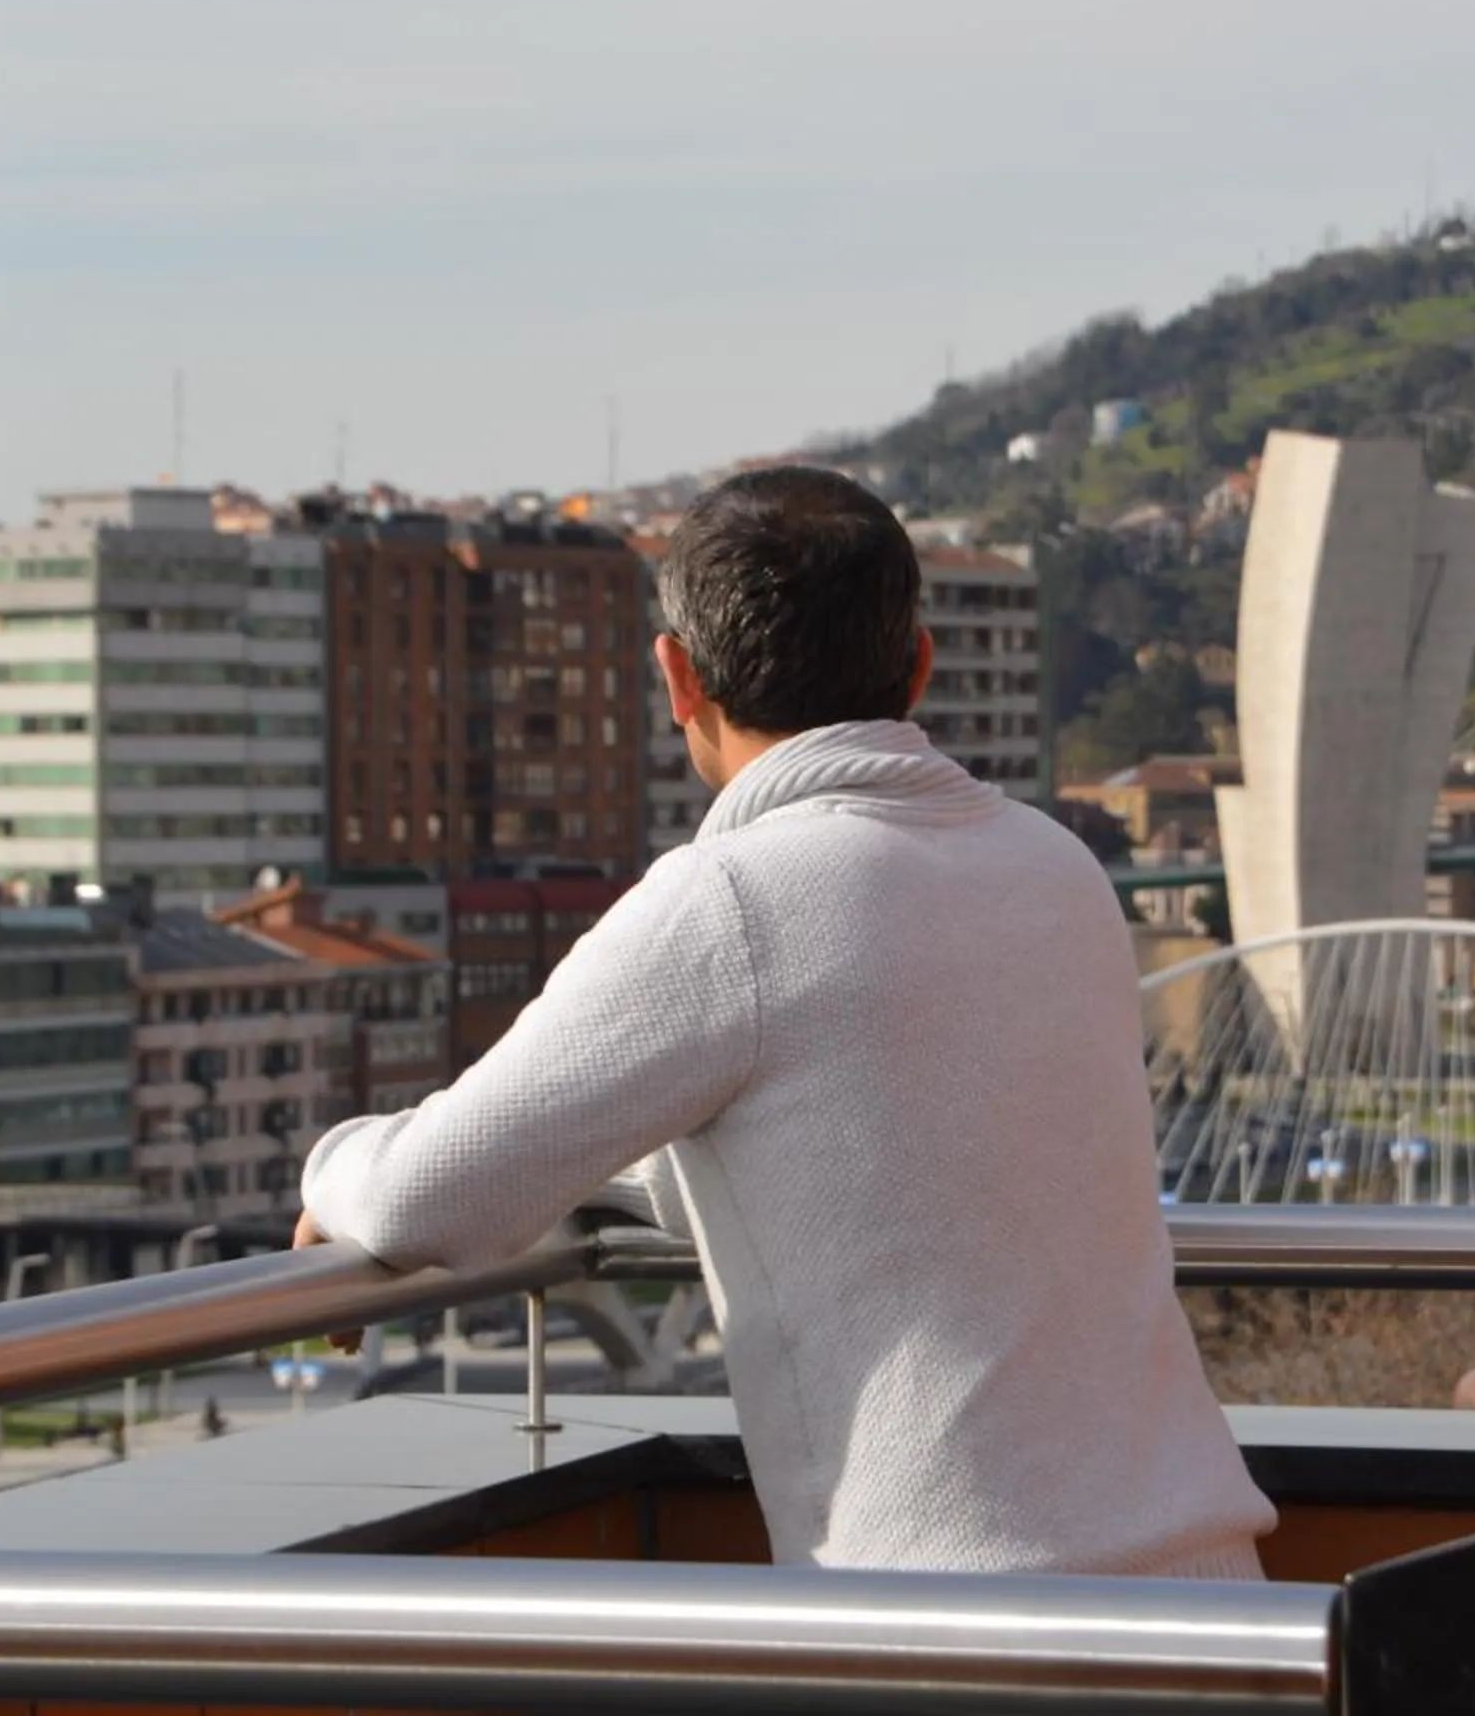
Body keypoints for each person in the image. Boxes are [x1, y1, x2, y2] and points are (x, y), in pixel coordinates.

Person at [294, 465, 1273, 1579]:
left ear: (677, 677)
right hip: (1214, 1602)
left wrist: (336, 1167)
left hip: (962, 1619)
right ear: (918, 664)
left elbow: (425, 1198)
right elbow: (845, 1153)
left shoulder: (728, 901)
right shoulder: (1059, 867)